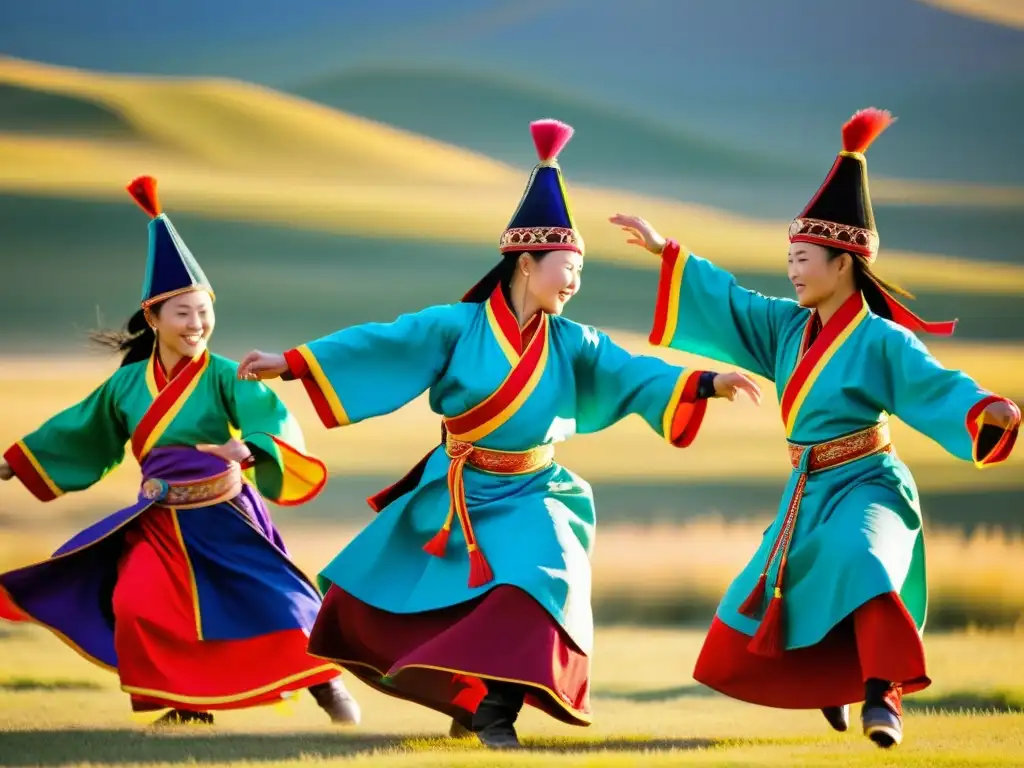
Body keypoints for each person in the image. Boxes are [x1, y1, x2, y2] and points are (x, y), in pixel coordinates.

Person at [236, 119, 760, 749]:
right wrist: (291, 362)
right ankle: (472, 701)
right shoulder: (455, 327)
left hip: (537, 488)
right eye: (565, 268)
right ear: (526, 262)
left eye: (579, 272)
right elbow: (382, 342)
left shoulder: (573, 339)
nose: (573, 282)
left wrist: (706, 383)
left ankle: (497, 712)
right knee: (429, 599)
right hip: (459, 488)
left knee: (541, 579)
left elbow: (632, 371)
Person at [609, 107, 1021, 749]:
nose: (794, 270)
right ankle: (829, 684)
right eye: (791, 259)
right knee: (769, 595)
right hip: (807, 491)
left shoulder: (882, 339)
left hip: (869, 483)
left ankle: (882, 698)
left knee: (864, 559)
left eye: (804, 259)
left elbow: (933, 385)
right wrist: (667, 251)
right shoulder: (783, 326)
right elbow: (730, 301)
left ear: (843, 263)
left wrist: (983, 409)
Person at [0, 176, 361, 726]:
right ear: (154, 320)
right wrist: (13, 463)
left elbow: (272, 416)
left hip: (226, 515)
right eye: (183, 314)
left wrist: (250, 448)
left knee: (278, 607)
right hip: (159, 519)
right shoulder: (125, 386)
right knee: (138, 606)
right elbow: (80, 431)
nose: (198, 324)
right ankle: (187, 707)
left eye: (204, 311)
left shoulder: (224, 374)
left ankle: (328, 687)